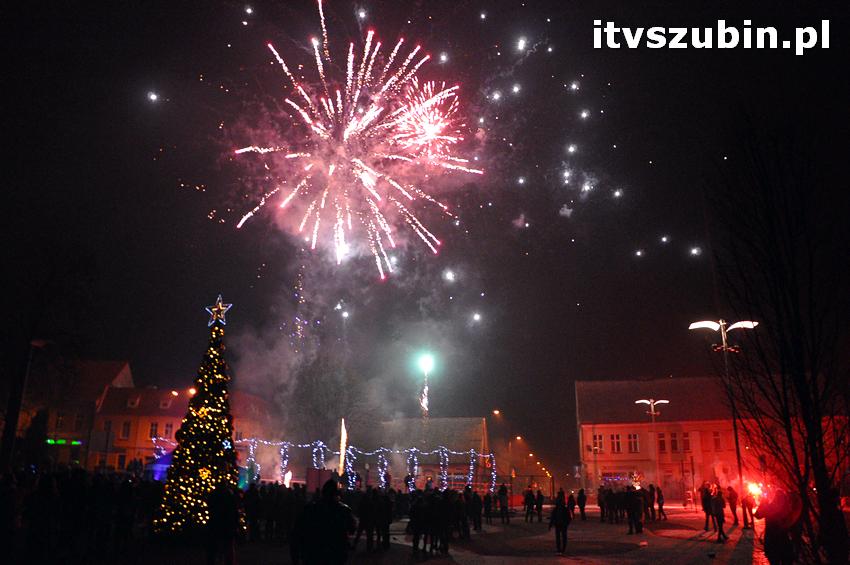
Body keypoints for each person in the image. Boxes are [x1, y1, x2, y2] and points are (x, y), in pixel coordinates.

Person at [291, 479, 356, 565]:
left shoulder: (310, 509)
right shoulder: (344, 510)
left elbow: (297, 533)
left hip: (313, 553)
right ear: (337, 493)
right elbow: (352, 529)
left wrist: (295, 557)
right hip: (335, 554)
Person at [754, 489, 794, 565]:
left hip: (772, 541)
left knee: (774, 561)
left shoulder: (770, 507)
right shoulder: (787, 508)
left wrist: (763, 503)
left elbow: (757, 515)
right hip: (784, 541)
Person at [206, 483, 240, 565]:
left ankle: (213, 561)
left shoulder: (213, 495)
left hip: (215, 524)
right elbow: (234, 511)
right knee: (228, 547)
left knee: (214, 547)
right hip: (227, 525)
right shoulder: (230, 496)